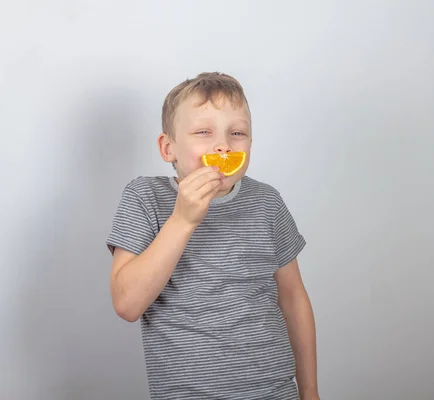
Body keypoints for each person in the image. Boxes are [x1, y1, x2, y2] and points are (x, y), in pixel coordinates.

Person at [106, 72, 319, 400]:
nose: (223, 145)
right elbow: (127, 304)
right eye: (204, 132)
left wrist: (310, 392)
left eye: (237, 133)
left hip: (276, 391)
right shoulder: (145, 197)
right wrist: (182, 219)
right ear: (168, 147)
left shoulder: (267, 202)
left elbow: (293, 299)